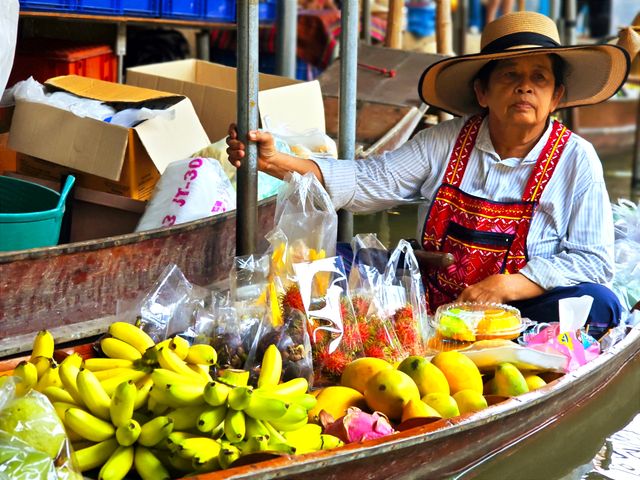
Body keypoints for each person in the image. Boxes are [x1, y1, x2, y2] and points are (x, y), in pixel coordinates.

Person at [227, 12, 631, 337]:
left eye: (539, 78)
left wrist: (508, 285)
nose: (525, 88)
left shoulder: (577, 158)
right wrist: (278, 162)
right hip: (431, 302)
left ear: (556, 97)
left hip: (519, 313)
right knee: (337, 262)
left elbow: (593, 261)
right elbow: (369, 181)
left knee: (601, 304)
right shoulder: (446, 140)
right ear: (483, 92)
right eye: (509, 75)